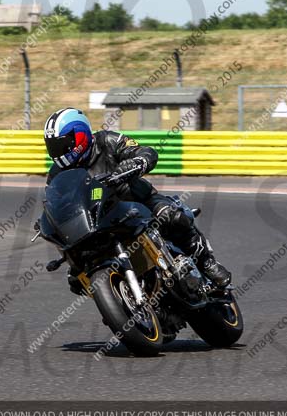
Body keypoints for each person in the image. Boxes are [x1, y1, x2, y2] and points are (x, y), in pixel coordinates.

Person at [43, 107, 232, 296]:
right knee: (76, 277)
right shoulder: (56, 173)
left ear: (80, 134)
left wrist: (137, 161)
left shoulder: (106, 140)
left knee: (170, 216)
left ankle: (207, 263)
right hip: (99, 218)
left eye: (63, 144)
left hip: (137, 199)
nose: (59, 152)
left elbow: (141, 151)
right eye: (53, 146)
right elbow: (54, 202)